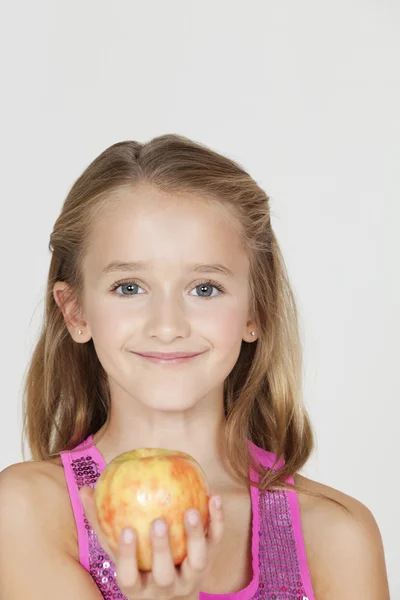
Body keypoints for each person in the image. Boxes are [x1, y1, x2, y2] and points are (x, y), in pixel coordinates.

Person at [0, 135, 390, 599]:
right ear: (75, 312)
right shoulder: (29, 510)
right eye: (129, 287)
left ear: (255, 311)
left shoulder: (338, 534)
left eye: (204, 288)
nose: (168, 326)